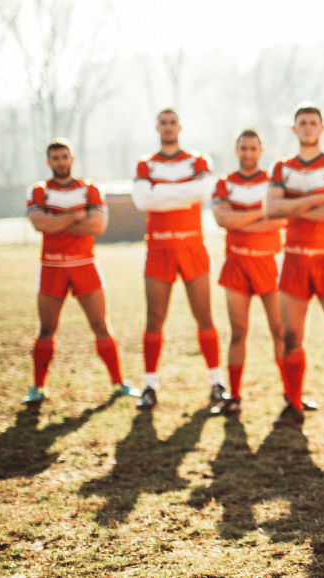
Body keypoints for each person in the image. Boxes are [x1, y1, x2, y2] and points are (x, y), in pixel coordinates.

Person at [23, 138, 135, 405]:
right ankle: (37, 388)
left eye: (65, 156)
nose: (61, 162)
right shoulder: (38, 190)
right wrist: (75, 216)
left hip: (85, 264)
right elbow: (39, 224)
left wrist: (56, 222)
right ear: (48, 162)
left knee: (100, 325)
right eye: (55, 158)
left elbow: (97, 226)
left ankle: (119, 383)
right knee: (47, 329)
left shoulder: (90, 189)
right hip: (52, 266)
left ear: (72, 158)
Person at [265, 103, 324, 429]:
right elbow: (271, 209)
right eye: (302, 122)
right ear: (294, 129)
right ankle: (294, 405)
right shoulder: (281, 168)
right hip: (293, 262)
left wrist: (293, 207)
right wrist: (313, 201)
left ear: (322, 127)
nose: (307, 127)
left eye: (313, 122)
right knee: (291, 337)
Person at [131, 109, 222, 410]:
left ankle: (216, 383)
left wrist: (162, 191)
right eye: (163, 123)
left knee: (204, 316)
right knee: (154, 319)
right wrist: (185, 193)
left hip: (192, 247)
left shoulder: (198, 160)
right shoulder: (146, 163)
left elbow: (204, 190)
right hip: (158, 249)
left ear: (179, 126)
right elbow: (143, 200)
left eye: (172, 122)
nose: (168, 127)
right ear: (157, 127)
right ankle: (149, 386)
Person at [210, 129, 292, 416]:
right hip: (236, 265)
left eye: (253, 148)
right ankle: (234, 396)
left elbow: (279, 221)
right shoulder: (224, 183)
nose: (248, 153)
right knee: (238, 332)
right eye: (243, 148)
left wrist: (240, 220)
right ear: (236, 149)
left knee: (280, 332)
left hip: (269, 264)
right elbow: (222, 219)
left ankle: (290, 396)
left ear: (261, 149)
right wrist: (262, 212)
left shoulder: (274, 181)